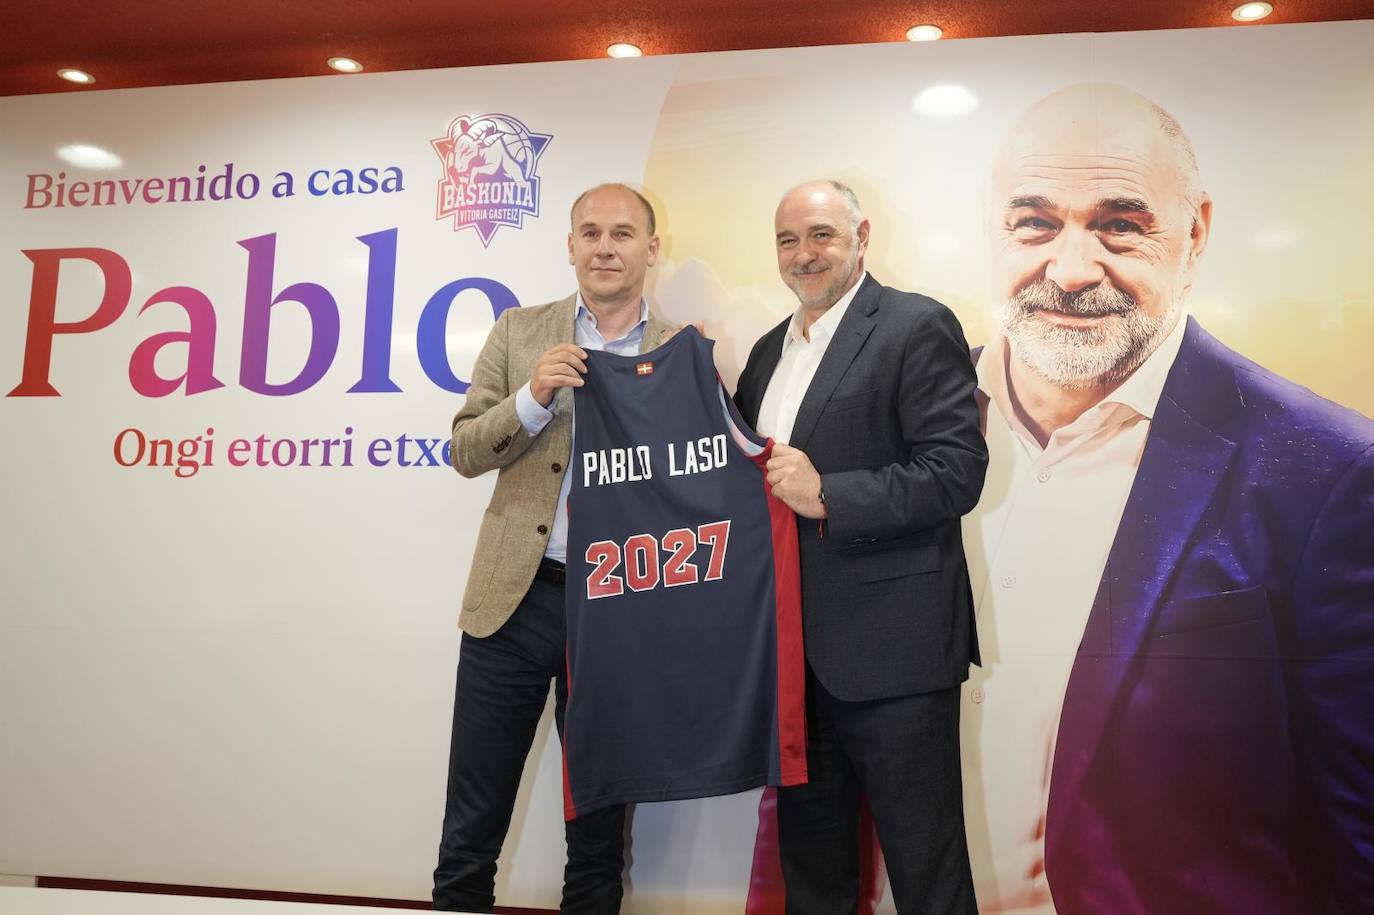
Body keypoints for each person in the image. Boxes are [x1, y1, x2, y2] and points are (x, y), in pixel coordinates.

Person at [962, 83, 1374, 913]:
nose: (1072, 271)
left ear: (1197, 233)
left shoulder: (1328, 472)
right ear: (992, 229)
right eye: (1035, 222)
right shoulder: (900, 428)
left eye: (1120, 222)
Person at [733, 179, 988, 913]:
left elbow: (956, 472)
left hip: (896, 656)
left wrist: (829, 493)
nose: (803, 254)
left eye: (820, 235)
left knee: (927, 871)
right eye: (788, 239)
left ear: (861, 235)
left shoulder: (915, 324)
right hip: (791, 664)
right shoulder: (763, 355)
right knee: (812, 876)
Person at [433, 182, 675, 913]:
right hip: (513, 600)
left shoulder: (684, 352)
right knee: (471, 821)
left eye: (624, 233)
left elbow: (699, 486)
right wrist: (533, 396)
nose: (606, 246)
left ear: (651, 249)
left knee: (598, 830)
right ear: (570, 245)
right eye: (591, 232)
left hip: (617, 609)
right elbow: (465, 449)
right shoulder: (518, 330)